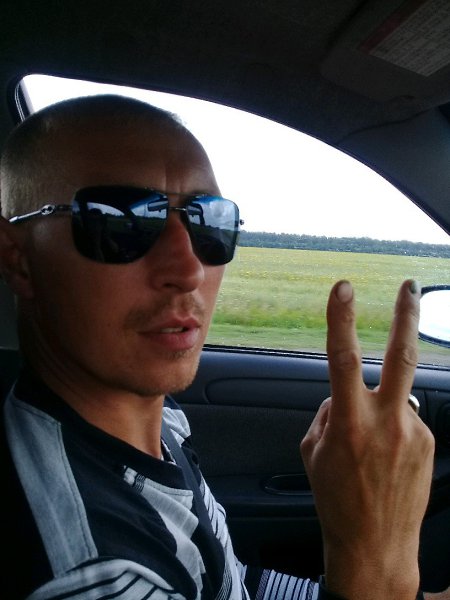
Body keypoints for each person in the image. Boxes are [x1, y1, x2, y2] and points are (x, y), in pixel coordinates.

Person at [0, 94, 443, 600]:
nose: (189, 269)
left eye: (208, 222)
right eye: (121, 222)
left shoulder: (157, 419)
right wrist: (378, 562)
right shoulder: (95, 576)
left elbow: (228, 582)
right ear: (17, 258)